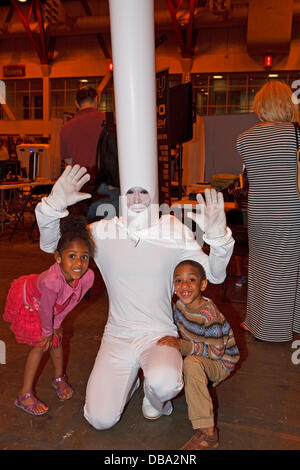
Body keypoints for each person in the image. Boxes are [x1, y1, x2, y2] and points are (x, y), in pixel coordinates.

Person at [35, 164, 234, 430]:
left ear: (155, 193)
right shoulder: (101, 232)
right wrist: (51, 208)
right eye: (131, 192)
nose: (138, 198)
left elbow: (216, 275)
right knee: (100, 420)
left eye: (144, 191)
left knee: (166, 382)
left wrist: (219, 238)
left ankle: (156, 400)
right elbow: (51, 246)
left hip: (158, 333)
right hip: (117, 334)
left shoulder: (173, 230)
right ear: (121, 196)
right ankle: (133, 383)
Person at [3, 216, 95, 416]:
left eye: (84, 256)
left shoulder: (88, 277)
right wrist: (48, 329)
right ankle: (24, 394)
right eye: (72, 256)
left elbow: (73, 301)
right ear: (58, 257)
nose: (79, 263)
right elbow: (45, 308)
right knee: (41, 344)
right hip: (30, 300)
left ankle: (59, 378)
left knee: (57, 340)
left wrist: (58, 323)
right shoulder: (53, 281)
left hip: (52, 307)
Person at [237, 80, 300, 342]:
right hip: (291, 212)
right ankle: (279, 328)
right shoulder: (295, 133)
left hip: (260, 213)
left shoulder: (244, 139)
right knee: (288, 269)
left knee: (263, 268)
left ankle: (258, 322)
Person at [157, 260, 239, 450]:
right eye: (178, 281)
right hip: (201, 353)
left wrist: (183, 346)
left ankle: (209, 434)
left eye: (191, 280)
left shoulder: (208, 315)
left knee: (192, 364)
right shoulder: (179, 306)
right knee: (173, 351)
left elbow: (216, 353)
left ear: (203, 285)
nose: (184, 286)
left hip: (220, 362)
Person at [60, 86, 105, 181]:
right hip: (107, 183)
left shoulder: (66, 127)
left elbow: (68, 160)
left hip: (80, 183)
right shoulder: (111, 121)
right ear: (97, 99)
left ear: (76, 103)